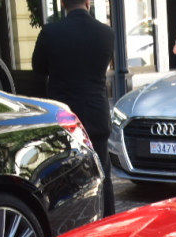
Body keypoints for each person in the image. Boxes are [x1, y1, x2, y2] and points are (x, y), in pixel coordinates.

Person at [31, 0, 116, 215]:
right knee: (102, 174)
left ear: (61, 3)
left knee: (64, 177)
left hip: (65, 117)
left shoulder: (51, 32)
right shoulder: (106, 33)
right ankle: (107, 224)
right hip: (96, 112)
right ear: (88, 2)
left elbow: (38, 67)